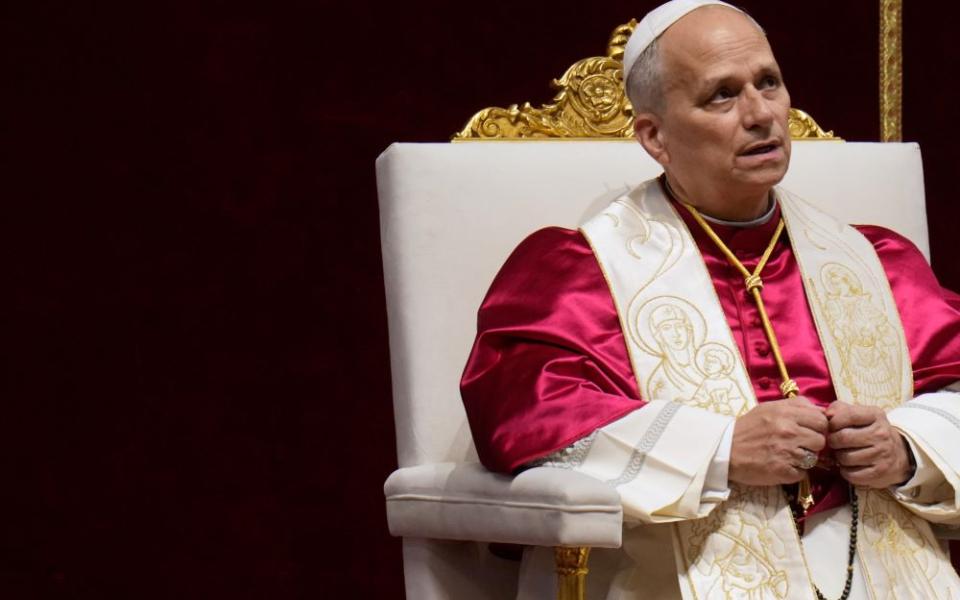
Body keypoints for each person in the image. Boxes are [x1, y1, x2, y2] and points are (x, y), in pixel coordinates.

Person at [460, 1, 960, 598]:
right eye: (721, 95)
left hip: (872, 567)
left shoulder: (876, 262)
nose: (761, 115)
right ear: (655, 136)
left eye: (768, 83)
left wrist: (905, 449)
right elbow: (528, 418)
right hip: (667, 574)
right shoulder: (579, 271)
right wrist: (721, 448)